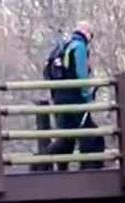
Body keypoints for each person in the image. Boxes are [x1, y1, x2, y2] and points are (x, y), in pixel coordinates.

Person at [45, 22, 105, 170]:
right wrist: (87, 96)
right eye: (91, 35)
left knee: (67, 139)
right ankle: (90, 170)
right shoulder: (79, 47)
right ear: (86, 32)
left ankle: (49, 167)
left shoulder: (65, 45)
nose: (91, 39)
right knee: (91, 136)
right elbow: (81, 76)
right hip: (75, 99)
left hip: (60, 97)